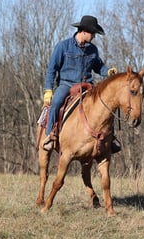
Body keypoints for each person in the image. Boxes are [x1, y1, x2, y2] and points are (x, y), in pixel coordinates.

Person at [42, 15, 121, 153]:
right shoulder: (63, 46)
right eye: (93, 33)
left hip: (88, 86)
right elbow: (51, 69)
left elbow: (98, 66)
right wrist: (48, 89)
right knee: (56, 102)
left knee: (106, 105)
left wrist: (108, 72)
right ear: (83, 31)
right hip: (67, 85)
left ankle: (110, 138)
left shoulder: (93, 50)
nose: (94, 37)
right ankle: (50, 135)